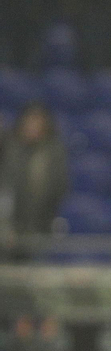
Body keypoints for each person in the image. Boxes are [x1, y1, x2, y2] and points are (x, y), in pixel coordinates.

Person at [0, 102, 69, 256]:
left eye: (37, 122)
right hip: (8, 226)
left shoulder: (54, 153)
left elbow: (59, 188)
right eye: (30, 121)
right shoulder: (8, 147)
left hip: (40, 226)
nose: (33, 126)